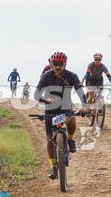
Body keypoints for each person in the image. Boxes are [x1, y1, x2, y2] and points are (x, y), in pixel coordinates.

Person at [34, 51, 86, 180]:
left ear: (65, 64)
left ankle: (70, 139)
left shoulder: (72, 76)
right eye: (55, 64)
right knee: (50, 139)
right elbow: (36, 94)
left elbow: (80, 90)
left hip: (66, 106)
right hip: (50, 107)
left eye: (60, 64)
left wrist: (85, 106)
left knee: (71, 119)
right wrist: (45, 100)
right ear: (51, 64)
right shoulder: (46, 76)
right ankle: (53, 167)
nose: (58, 67)